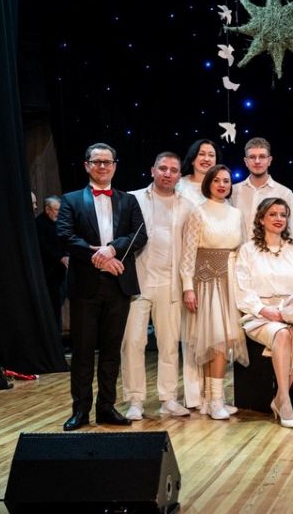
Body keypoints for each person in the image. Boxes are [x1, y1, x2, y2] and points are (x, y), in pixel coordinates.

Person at [56, 142, 147, 431]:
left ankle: (106, 408)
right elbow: (65, 235)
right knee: (83, 353)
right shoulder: (71, 200)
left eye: (108, 162)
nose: (102, 166)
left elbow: (139, 234)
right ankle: (80, 411)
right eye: (97, 162)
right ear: (87, 165)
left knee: (111, 352)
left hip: (118, 286)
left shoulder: (128, 200)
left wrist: (112, 250)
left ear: (115, 166)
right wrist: (99, 259)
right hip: (85, 286)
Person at [121, 152, 195, 421]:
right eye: (163, 168)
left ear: (179, 175)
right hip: (138, 283)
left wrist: (187, 286)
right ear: (152, 170)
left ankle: (168, 399)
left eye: (173, 170)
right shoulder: (132, 199)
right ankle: (135, 400)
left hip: (170, 284)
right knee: (132, 343)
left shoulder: (187, 206)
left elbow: (189, 252)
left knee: (168, 344)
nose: (168, 173)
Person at [235, 197, 293, 428]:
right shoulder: (248, 250)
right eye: (272, 214)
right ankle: (285, 400)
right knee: (282, 334)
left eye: (282, 214)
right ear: (261, 219)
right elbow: (242, 287)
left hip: (290, 311)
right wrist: (263, 309)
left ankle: (280, 397)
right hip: (259, 315)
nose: (278, 219)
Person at [180, 164, 247, 420]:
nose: (222, 185)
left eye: (226, 181)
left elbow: (241, 250)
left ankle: (211, 400)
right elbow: (188, 253)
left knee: (223, 340)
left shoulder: (236, 214)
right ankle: (216, 400)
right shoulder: (198, 212)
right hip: (206, 281)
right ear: (208, 183)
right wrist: (188, 287)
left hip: (229, 280)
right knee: (215, 340)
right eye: (217, 180)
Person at [232, 136, 293, 242]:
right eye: (252, 157)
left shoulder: (284, 193)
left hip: (271, 252)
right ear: (246, 161)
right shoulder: (233, 191)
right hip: (238, 251)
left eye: (262, 157)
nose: (257, 161)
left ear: (269, 160)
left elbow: (292, 233)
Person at [35, 195, 68, 343]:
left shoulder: (60, 222)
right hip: (48, 275)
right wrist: (60, 257)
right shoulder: (39, 224)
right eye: (56, 210)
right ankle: (53, 342)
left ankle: (57, 340)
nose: (59, 213)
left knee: (58, 306)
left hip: (60, 273)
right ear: (47, 209)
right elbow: (43, 246)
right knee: (52, 308)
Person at [176, 139, 221, 205]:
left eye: (211, 155)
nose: (206, 159)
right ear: (192, 159)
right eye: (201, 154)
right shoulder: (179, 184)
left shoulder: (222, 186)